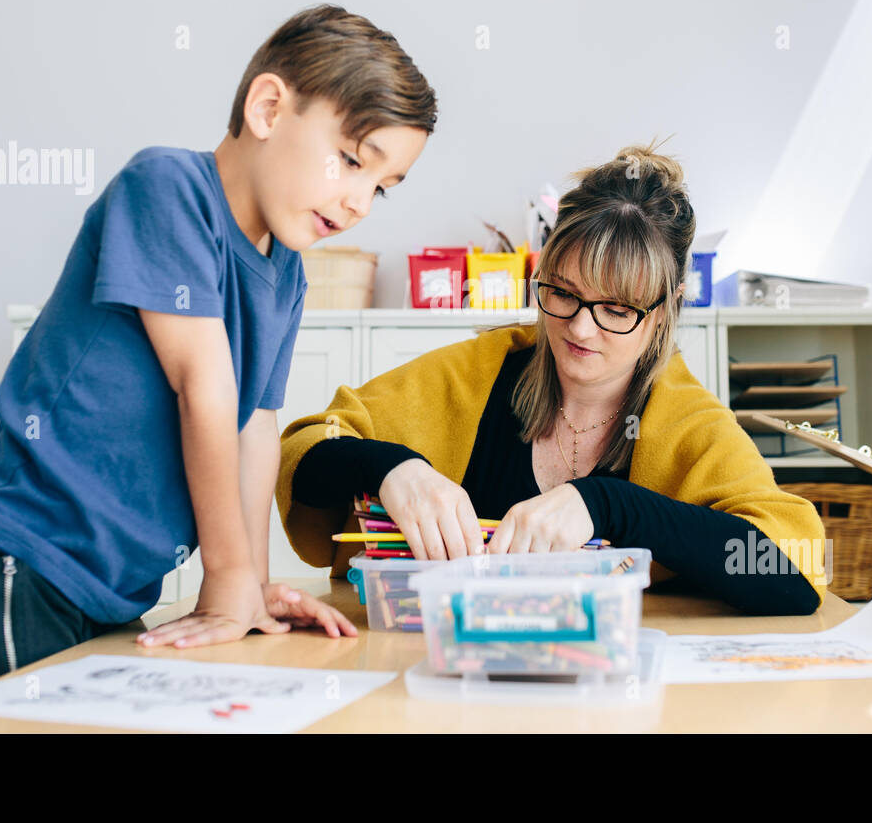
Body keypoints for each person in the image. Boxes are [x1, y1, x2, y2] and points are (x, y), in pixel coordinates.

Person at [0, 4, 437, 695]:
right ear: (269, 108)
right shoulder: (167, 188)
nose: (360, 203)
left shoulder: (286, 275)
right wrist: (222, 578)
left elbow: (254, 428)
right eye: (349, 161)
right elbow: (205, 386)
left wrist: (250, 585)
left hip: (105, 594)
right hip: (12, 561)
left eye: (380, 188)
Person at [276, 144, 828, 615]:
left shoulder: (685, 419)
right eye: (561, 292)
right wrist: (391, 468)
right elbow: (304, 449)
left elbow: (796, 568)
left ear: (664, 309)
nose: (580, 328)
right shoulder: (479, 373)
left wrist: (609, 505)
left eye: (615, 308)